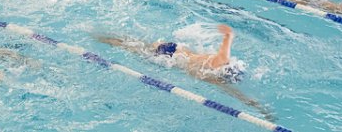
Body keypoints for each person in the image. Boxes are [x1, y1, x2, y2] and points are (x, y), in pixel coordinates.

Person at [95, 25, 261, 112]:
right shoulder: (213, 76)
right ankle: (102, 37)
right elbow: (235, 93)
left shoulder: (218, 63)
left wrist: (228, 34)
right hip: (171, 56)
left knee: (132, 44)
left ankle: (102, 36)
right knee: (131, 46)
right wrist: (256, 106)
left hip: (173, 52)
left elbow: (227, 43)